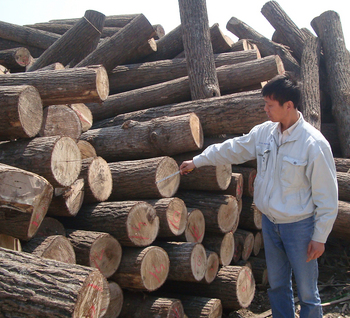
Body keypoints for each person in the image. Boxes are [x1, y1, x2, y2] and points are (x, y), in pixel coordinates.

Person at [180, 73, 338, 318]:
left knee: (307, 293)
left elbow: (327, 196)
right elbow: (233, 149)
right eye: (264, 104)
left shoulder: (313, 144)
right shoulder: (265, 133)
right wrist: (198, 161)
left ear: (289, 105)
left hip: (300, 229)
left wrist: (320, 236)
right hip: (270, 223)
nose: (265, 109)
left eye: (270, 105)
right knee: (277, 286)